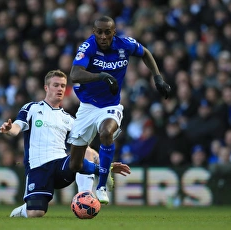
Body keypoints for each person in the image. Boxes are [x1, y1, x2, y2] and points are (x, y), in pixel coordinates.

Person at [67, 16, 171, 204]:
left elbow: (145, 53)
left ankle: (102, 186)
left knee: (106, 132)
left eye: (108, 32)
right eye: (99, 32)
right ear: (93, 32)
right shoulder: (88, 46)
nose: (103, 36)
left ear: (114, 32)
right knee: (75, 164)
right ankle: (103, 168)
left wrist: (158, 78)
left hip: (111, 105)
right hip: (87, 106)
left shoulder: (125, 44)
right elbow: (74, 74)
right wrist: (102, 76)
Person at [0, 70, 130, 218]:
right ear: (46, 88)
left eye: (62, 85)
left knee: (84, 151)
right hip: (38, 167)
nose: (60, 89)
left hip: (62, 166)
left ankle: (86, 196)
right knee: (36, 213)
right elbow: (16, 127)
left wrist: (107, 165)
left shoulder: (69, 119)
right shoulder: (32, 108)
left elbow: (87, 150)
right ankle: (24, 209)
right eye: (56, 85)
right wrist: (9, 129)